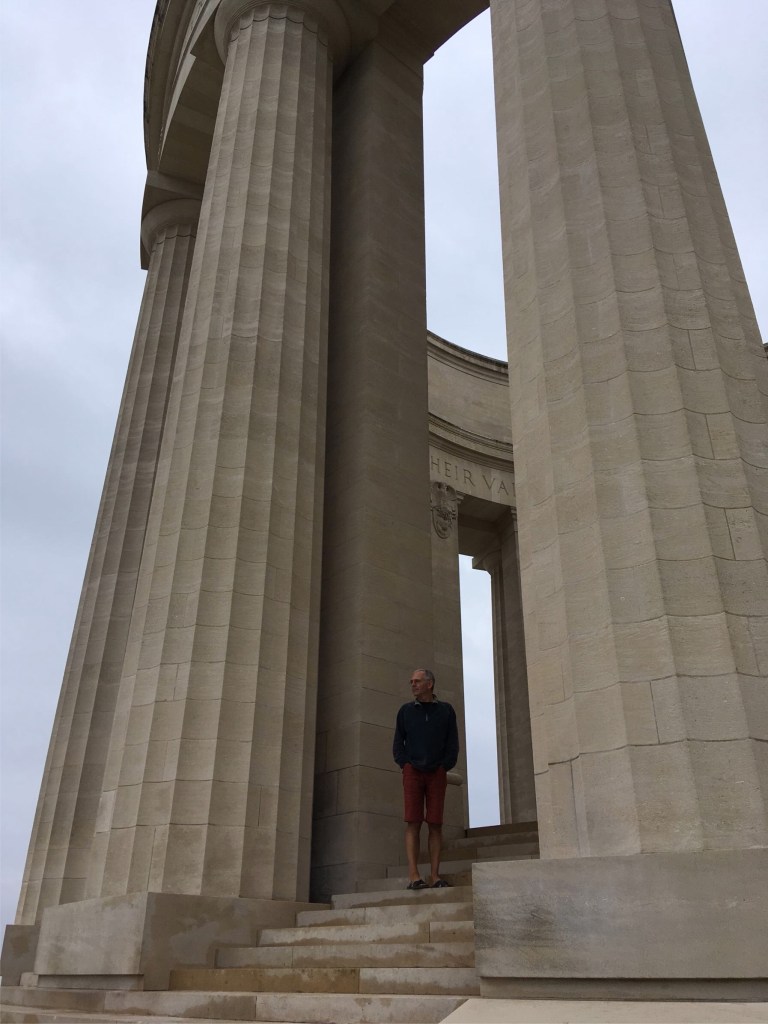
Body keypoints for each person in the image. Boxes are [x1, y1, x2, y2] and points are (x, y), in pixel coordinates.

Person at [393, 668, 459, 890]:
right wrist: (405, 764)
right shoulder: (405, 711)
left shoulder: (446, 711)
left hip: (436, 772)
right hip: (413, 771)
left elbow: (452, 742)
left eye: (417, 681)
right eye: (411, 681)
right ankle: (414, 876)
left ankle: (435, 875)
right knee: (413, 821)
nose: (413, 684)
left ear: (430, 684)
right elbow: (398, 742)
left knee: (435, 823)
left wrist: (444, 765)